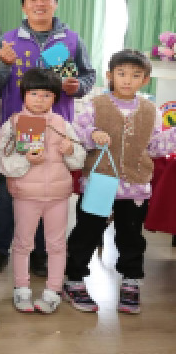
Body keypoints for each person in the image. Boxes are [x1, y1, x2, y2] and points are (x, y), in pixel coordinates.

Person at [0, 0, 97, 276]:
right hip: (18, 127)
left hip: (57, 130)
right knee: (8, 193)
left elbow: (88, 76)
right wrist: (3, 64)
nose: (39, 3)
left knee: (48, 192)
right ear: (23, 6)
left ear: (55, 3)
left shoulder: (71, 40)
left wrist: (77, 86)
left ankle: (40, 253)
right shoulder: (8, 40)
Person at [65, 50, 176, 314]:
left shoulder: (150, 110)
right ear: (110, 75)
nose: (127, 80)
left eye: (135, 75)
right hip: (99, 182)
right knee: (87, 232)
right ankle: (74, 279)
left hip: (135, 187)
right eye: (122, 73)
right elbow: (77, 131)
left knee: (131, 237)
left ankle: (131, 280)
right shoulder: (96, 105)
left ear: (145, 80)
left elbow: (155, 146)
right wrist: (94, 133)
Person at [0, 68, 86, 314]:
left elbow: (78, 161)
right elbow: (2, 161)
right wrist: (26, 160)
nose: (39, 99)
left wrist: (70, 151)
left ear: (55, 97)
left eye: (46, 95)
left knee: (56, 245)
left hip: (58, 195)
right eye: (34, 93)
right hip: (26, 195)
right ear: (24, 94)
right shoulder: (13, 124)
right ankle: (21, 288)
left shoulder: (62, 124)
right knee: (23, 243)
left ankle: (53, 291)